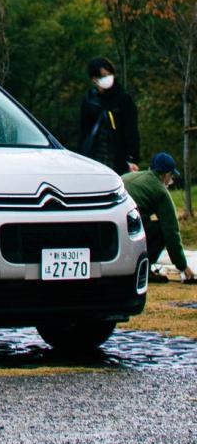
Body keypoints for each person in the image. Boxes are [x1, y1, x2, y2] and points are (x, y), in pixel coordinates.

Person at [122, 153, 195, 283]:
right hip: (128, 224)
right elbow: (171, 231)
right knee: (160, 228)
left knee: (146, 221)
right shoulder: (160, 191)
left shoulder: (134, 176)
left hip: (114, 223)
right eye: (171, 177)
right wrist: (182, 266)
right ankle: (145, 268)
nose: (170, 181)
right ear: (166, 175)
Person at [78, 56, 139, 174]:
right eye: (104, 75)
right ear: (94, 79)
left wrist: (132, 158)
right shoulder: (89, 100)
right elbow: (83, 131)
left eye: (109, 74)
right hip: (95, 155)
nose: (108, 78)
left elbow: (131, 131)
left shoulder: (123, 99)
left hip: (117, 156)